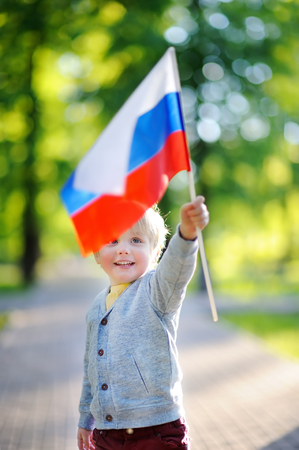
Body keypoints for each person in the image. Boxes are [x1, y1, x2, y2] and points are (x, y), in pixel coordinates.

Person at [77, 196, 209, 450]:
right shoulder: (96, 306)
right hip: (108, 433)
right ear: (96, 252)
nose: (123, 249)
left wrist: (187, 234)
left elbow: (176, 269)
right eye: (112, 241)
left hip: (156, 430)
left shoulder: (156, 291)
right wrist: (86, 418)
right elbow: (90, 368)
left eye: (136, 240)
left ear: (156, 252)